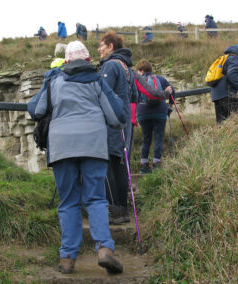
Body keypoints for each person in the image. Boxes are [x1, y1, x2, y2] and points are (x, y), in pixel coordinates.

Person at [29, 41, 125, 275]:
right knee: (96, 200)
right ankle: (104, 249)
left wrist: (47, 80)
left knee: (69, 202)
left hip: (62, 146)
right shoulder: (96, 80)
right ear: (89, 60)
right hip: (93, 145)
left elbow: (36, 110)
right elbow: (117, 116)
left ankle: (67, 258)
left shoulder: (55, 79)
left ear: (67, 61)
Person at [97, 31, 138, 225]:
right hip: (125, 123)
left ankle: (114, 210)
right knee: (120, 164)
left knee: (107, 164)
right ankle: (123, 209)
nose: (99, 49)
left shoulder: (110, 65)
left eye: (101, 45)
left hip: (111, 123)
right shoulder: (128, 68)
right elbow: (136, 97)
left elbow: (101, 93)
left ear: (111, 46)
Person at [135, 59, 175, 173]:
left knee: (146, 138)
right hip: (160, 111)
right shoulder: (160, 79)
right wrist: (170, 107)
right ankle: (156, 164)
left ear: (141, 70)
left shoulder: (139, 80)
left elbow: (135, 95)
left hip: (143, 112)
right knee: (158, 137)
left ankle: (144, 165)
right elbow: (173, 91)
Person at [211, 43, 238, 124]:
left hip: (216, 95)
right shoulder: (235, 58)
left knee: (221, 124)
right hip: (227, 95)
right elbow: (232, 75)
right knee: (235, 121)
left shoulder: (225, 58)